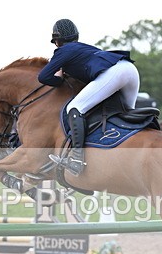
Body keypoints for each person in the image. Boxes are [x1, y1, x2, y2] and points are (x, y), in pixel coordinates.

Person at [38, 18, 139, 176]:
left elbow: (43, 77)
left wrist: (59, 78)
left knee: (75, 107)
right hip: (130, 70)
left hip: (116, 74)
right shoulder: (84, 48)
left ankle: (77, 159)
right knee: (127, 117)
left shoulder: (63, 50)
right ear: (75, 36)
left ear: (57, 41)